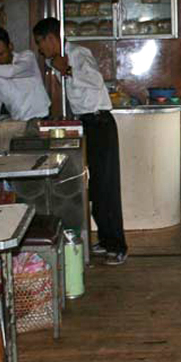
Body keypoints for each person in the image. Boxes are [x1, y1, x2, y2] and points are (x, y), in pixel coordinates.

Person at [32, 17, 127, 266]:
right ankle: (106, 240)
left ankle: (118, 246)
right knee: (94, 187)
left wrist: (68, 69)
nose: (40, 49)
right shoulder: (56, 61)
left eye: (41, 43)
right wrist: (60, 67)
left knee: (107, 188)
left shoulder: (77, 54)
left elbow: (95, 81)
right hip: (86, 124)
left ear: (52, 38)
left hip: (100, 124)